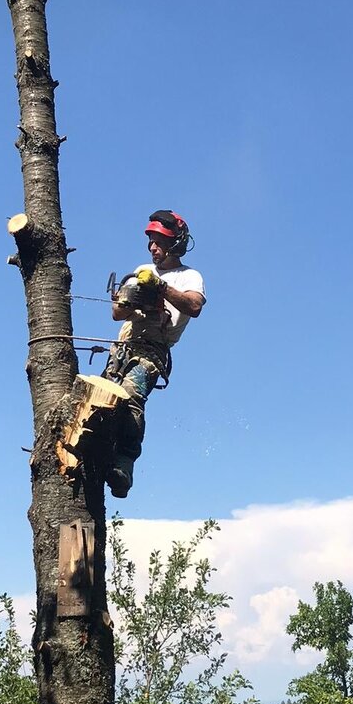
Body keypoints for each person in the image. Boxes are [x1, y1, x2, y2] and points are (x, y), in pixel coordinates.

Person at [103, 209, 206, 497]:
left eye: (159, 241)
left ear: (175, 243)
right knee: (103, 401)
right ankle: (99, 455)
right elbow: (116, 313)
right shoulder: (140, 270)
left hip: (153, 351)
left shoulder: (189, 277)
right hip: (122, 349)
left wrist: (160, 288)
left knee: (131, 397)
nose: (152, 247)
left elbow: (194, 307)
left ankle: (124, 463)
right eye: (150, 241)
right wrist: (131, 301)